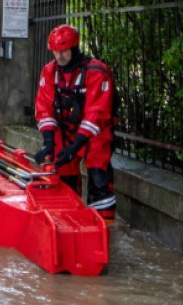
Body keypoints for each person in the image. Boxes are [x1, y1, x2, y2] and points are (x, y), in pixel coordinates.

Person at [34, 24, 116, 222]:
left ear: (74, 48)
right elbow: (44, 107)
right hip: (65, 129)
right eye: (55, 51)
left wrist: (76, 145)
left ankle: (103, 227)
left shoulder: (96, 71)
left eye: (63, 51)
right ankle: (69, 219)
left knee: (98, 175)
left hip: (95, 133)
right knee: (62, 174)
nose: (59, 56)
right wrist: (48, 142)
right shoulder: (49, 71)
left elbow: (98, 113)